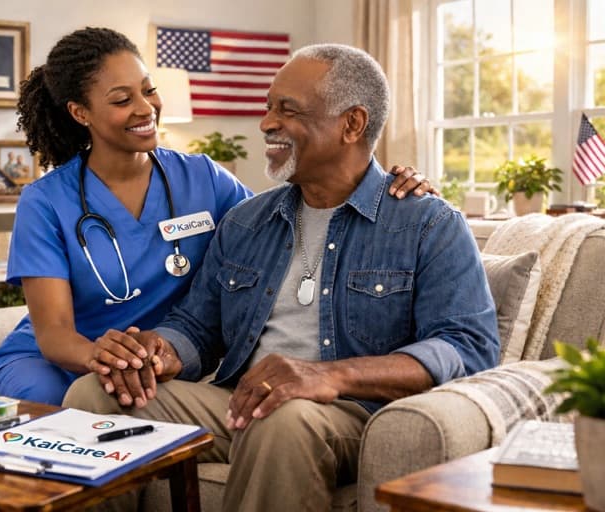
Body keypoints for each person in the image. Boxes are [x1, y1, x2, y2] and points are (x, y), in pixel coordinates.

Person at [63, 44, 500, 511]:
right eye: (269, 107)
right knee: (95, 393)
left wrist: (330, 376)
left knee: (283, 420)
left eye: (288, 110)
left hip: (349, 413)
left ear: (352, 124)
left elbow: (467, 347)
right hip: (240, 402)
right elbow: (197, 326)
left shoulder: (427, 223)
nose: (266, 123)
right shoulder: (246, 220)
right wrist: (160, 351)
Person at [0, 28, 434, 406]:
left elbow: (279, 225)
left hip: (160, 357)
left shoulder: (203, 179)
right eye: (121, 100)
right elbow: (55, 334)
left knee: (122, 405)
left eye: (148, 90)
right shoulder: (45, 201)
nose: (145, 108)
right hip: (63, 360)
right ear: (81, 113)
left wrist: (378, 183)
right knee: (63, 403)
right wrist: (111, 359)